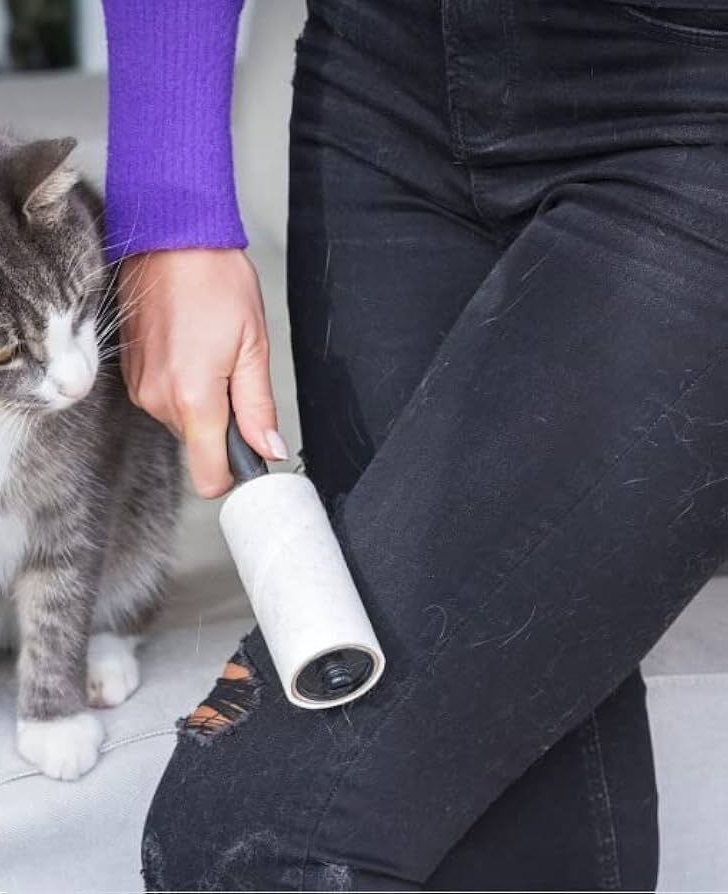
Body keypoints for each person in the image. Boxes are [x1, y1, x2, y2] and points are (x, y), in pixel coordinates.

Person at [101, 1, 728, 889]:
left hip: (699, 103)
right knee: (492, 836)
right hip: (379, 82)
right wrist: (168, 207)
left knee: (260, 838)